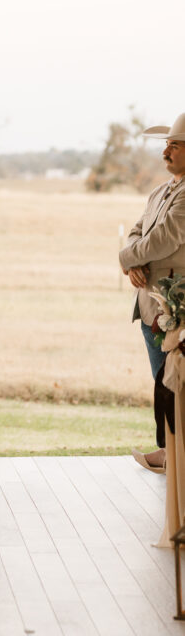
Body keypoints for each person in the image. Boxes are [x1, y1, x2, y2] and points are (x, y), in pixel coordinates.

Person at [119, 113, 185, 473]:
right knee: (163, 383)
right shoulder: (161, 191)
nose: (167, 150)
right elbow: (137, 230)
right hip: (151, 306)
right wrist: (134, 261)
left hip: (176, 306)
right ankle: (169, 451)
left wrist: (125, 258)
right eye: (166, 144)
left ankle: (175, 455)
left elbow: (163, 239)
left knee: (176, 383)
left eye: (175, 144)